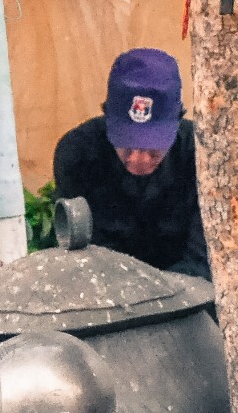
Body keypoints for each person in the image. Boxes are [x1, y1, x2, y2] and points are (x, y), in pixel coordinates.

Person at [53, 48, 210, 279]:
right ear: (108, 119)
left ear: (176, 123)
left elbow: (204, 262)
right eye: (126, 144)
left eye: (153, 147)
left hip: (191, 295)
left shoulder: (202, 157)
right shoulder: (78, 156)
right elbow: (80, 256)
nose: (138, 159)